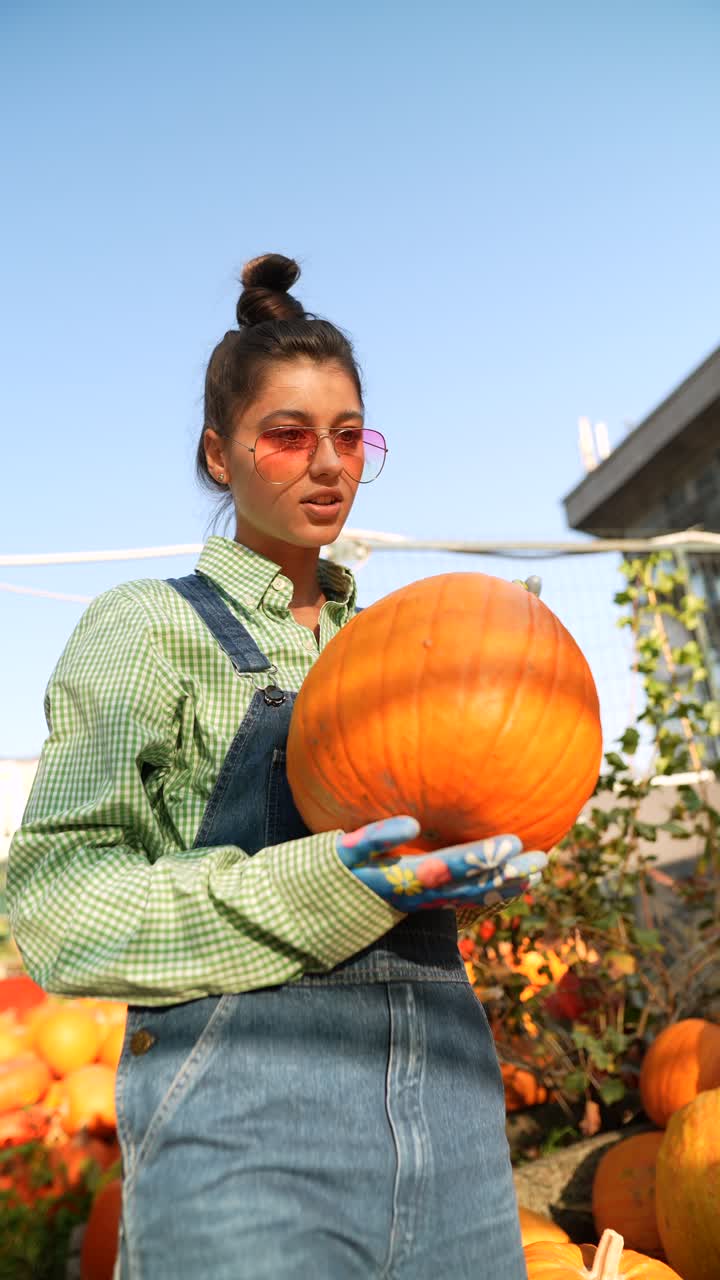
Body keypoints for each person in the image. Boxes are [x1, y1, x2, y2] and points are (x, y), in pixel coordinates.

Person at [8, 253, 547, 1279]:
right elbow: (55, 905)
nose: (330, 464)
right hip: (246, 1144)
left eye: (350, 435)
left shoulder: (408, 644)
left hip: (455, 1129)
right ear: (221, 454)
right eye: (290, 435)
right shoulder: (149, 628)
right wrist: (324, 884)